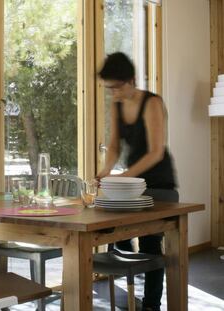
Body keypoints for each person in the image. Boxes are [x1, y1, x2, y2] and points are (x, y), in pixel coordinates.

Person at [96, 52, 178, 311]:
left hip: (158, 184)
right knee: (116, 232)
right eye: (108, 89)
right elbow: (113, 146)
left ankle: (151, 305)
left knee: (151, 243)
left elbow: (156, 151)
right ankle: (126, 289)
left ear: (131, 80)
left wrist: (123, 177)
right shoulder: (117, 104)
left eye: (116, 87)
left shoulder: (152, 103)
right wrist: (105, 171)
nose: (113, 93)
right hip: (132, 182)